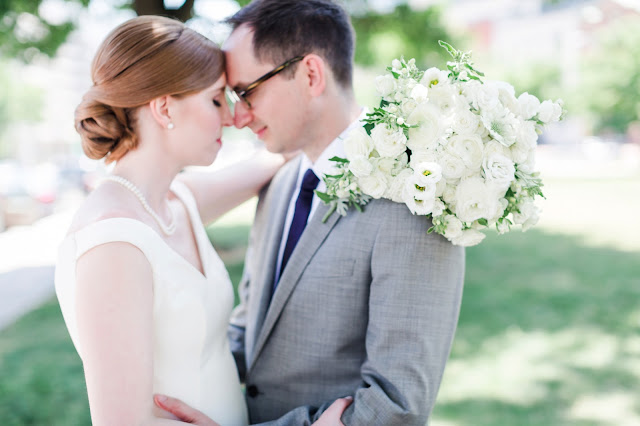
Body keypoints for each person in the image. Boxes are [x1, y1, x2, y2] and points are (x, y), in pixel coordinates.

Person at [155, 0, 466, 425]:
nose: (238, 116)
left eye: (247, 91)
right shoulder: (278, 183)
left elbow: (398, 405)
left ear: (311, 75)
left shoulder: (413, 199)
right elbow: (250, 331)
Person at [54, 15, 348, 426]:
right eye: (215, 100)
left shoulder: (176, 203)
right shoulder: (112, 240)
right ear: (163, 108)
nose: (232, 117)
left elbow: (276, 154)